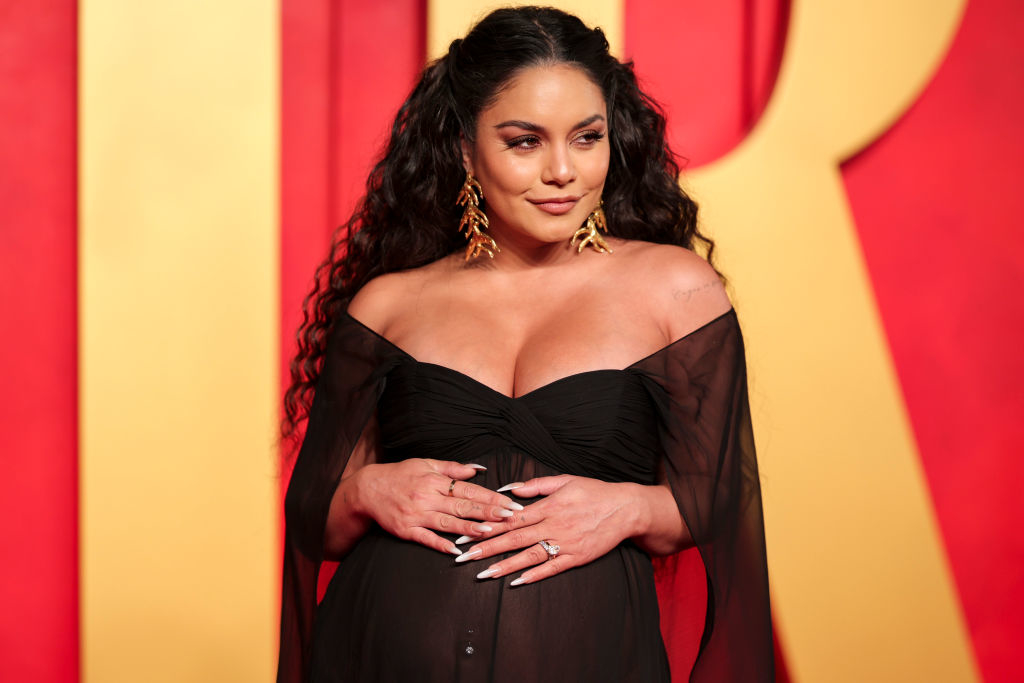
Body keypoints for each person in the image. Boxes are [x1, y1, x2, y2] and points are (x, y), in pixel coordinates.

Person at [277, 6, 773, 682]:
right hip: (374, 656)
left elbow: (718, 495)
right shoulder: (387, 306)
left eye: (587, 137)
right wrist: (366, 490)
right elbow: (316, 521)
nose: (562, 170)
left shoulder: (675, 290)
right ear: (465, 149)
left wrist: (630, 506)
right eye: (525, 142)